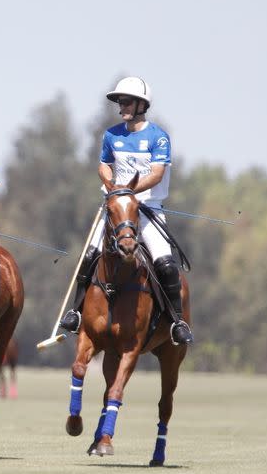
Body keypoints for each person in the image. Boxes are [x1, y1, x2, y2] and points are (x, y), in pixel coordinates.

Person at [57, 76, 193, 345]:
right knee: (90, 254)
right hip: (118, 209)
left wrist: (128, 191)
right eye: (120, 102)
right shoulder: (112, 135)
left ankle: (178, 321)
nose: (122, 106)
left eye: (127, 101)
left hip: (148, 209)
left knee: (165, 263)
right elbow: (103, 165)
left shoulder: (158, 137)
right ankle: (76, 311)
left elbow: (156, 174)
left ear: (142, 104)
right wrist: (111, 184)